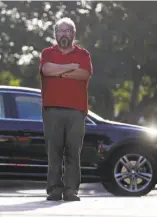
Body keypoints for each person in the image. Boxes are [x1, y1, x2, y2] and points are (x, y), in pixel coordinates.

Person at [39, 17, 93, 201]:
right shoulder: (47, 52)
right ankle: (54, 189)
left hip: (76, 110)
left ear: (73, 34)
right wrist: (70, 67)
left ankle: (71, 190)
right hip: (52, 110)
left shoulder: (83, 54)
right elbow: (46, 70)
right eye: (60, 31)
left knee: (72, 152)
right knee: (54, 152)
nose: (63, 34)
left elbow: (84, 74)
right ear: (55, 34)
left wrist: (58, 72)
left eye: (67, 30)